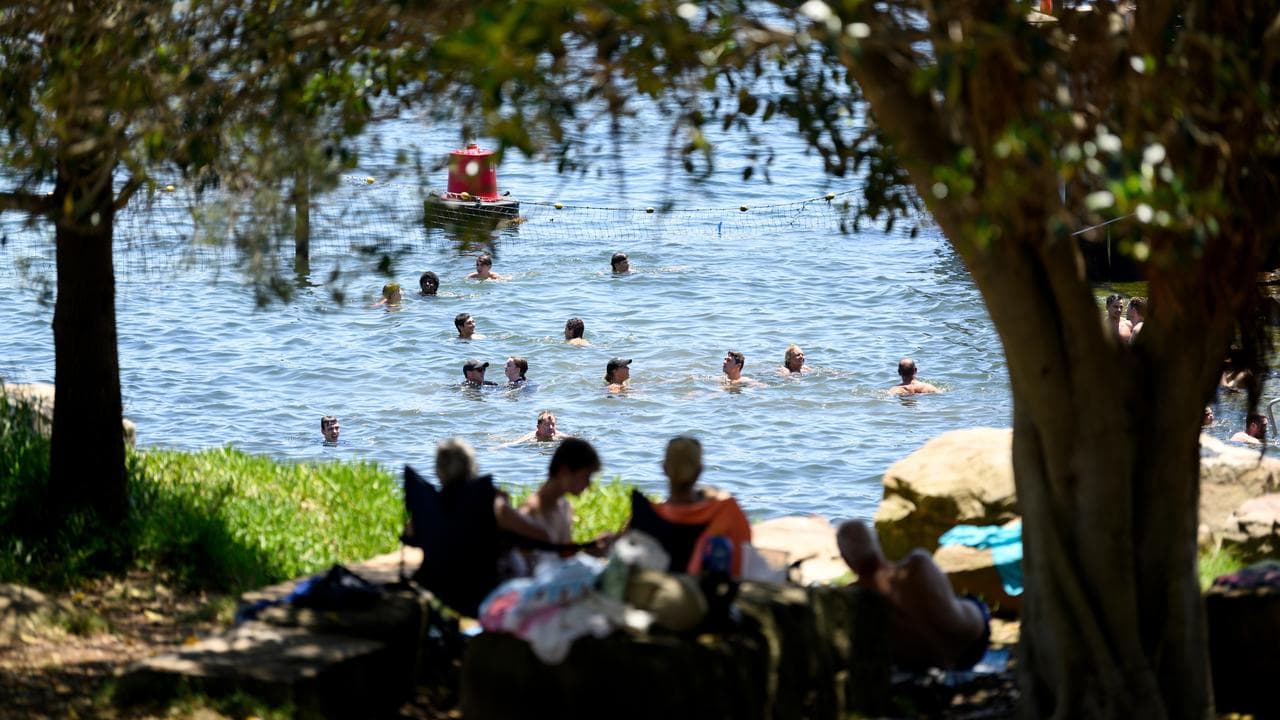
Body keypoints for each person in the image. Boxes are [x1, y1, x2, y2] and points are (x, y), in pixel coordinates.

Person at [836, 519, 990, 671]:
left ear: (846, 559)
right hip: (974, 641)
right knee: (963, 601)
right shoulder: (918, 564)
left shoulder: (851, 599)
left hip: (931, 662)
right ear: (877, 542)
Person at [638, 436, 751, 577]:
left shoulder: (644, 515)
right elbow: (743, 556)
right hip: (705, 594)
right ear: (699, 470)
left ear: (664, 468)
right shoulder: (725, 512)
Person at [519, 437, 607, 557]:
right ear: (564, 472)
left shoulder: (564, 505)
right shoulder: (530, 512)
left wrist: (591, 549)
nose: (588, 484)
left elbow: (563, 556)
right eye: (585, 476)